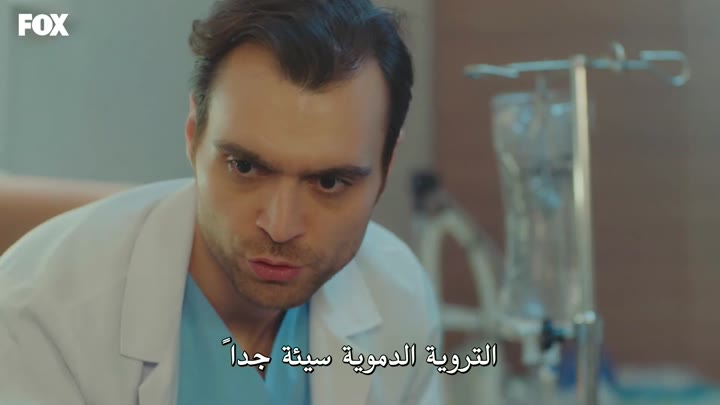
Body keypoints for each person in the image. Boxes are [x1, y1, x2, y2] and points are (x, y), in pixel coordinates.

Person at [0, 0, 442, 404]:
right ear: (194, 135)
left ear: (386, 167)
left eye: (329, 182)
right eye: (245, 167)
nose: (280, 226)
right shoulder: (39, 315)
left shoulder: (398, 295)